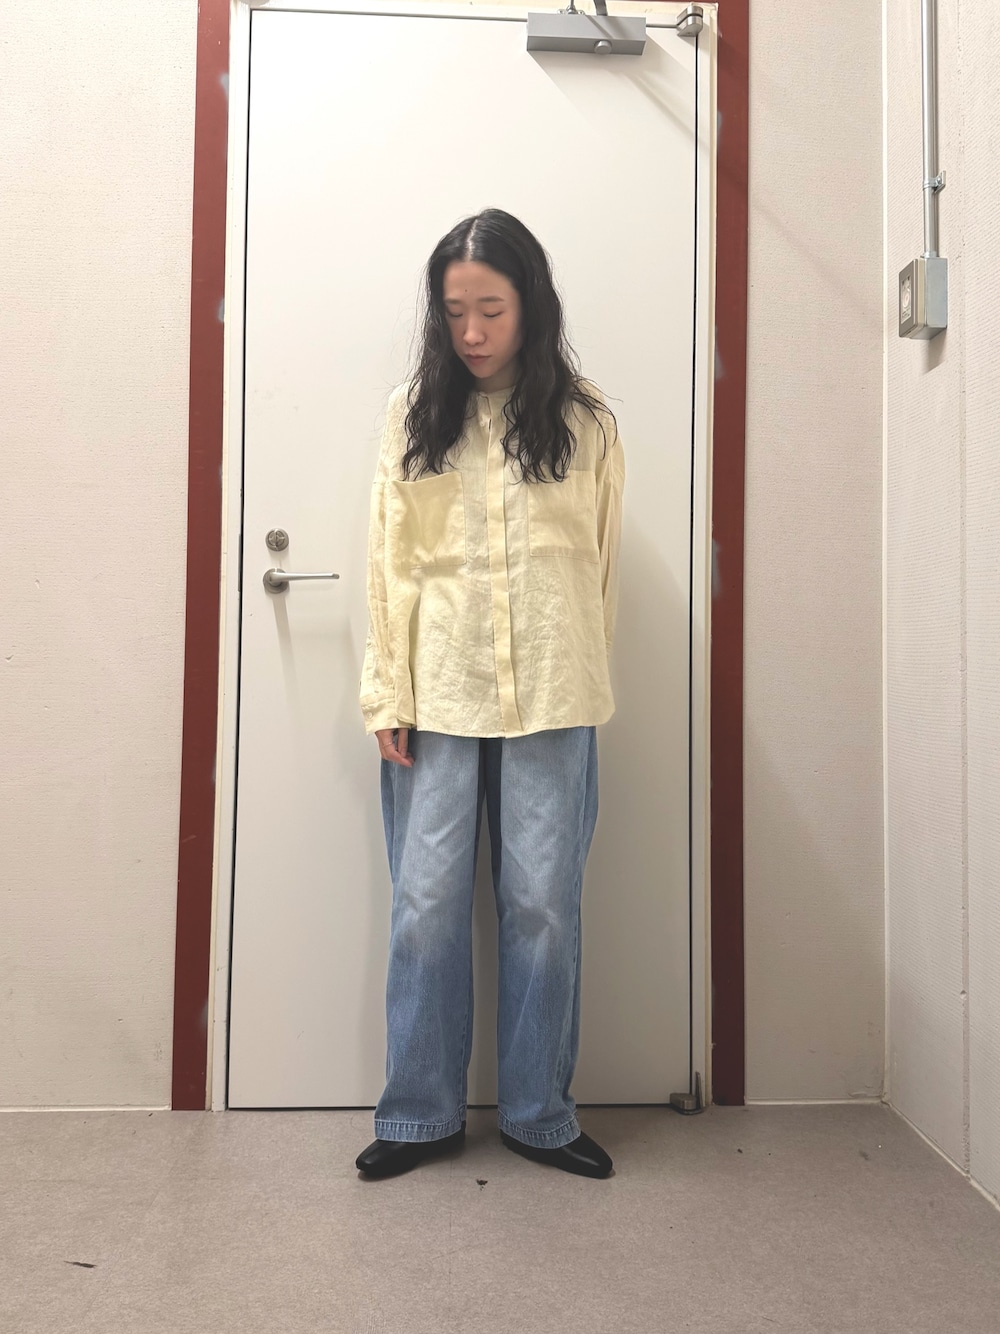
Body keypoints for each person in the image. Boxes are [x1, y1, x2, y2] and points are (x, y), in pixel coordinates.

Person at [355, 209, 625, 1180]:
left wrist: (585, 675)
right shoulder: (412, 415)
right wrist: (386, 691)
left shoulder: (586, 421)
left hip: (554, 691)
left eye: (492, 310)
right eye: (455, 311)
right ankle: (419, 1115)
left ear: (531, 306)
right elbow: (387, 560)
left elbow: (600, 566)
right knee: (426, 904)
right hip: (435, 692)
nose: (471, 332)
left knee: (543, 904)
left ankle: (539, 1114)